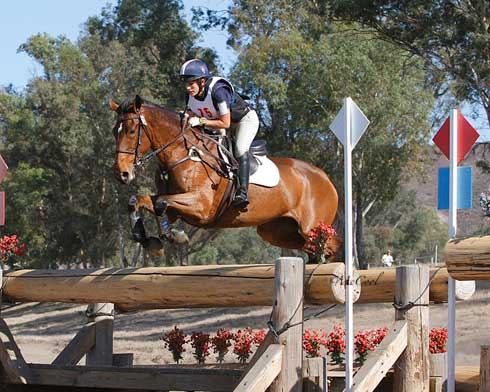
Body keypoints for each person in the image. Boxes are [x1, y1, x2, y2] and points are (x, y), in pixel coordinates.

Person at [179, 59, 259, 210]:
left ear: (202, 81)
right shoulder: (190, 96)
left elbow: (225, 123)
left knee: (240, 149)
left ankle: (243, 194)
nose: (188, 87)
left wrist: (200, 120)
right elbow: (191, 117)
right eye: (186, 84)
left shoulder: (218, 91)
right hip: (218, 123)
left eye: (191, 83)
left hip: (243, 120)